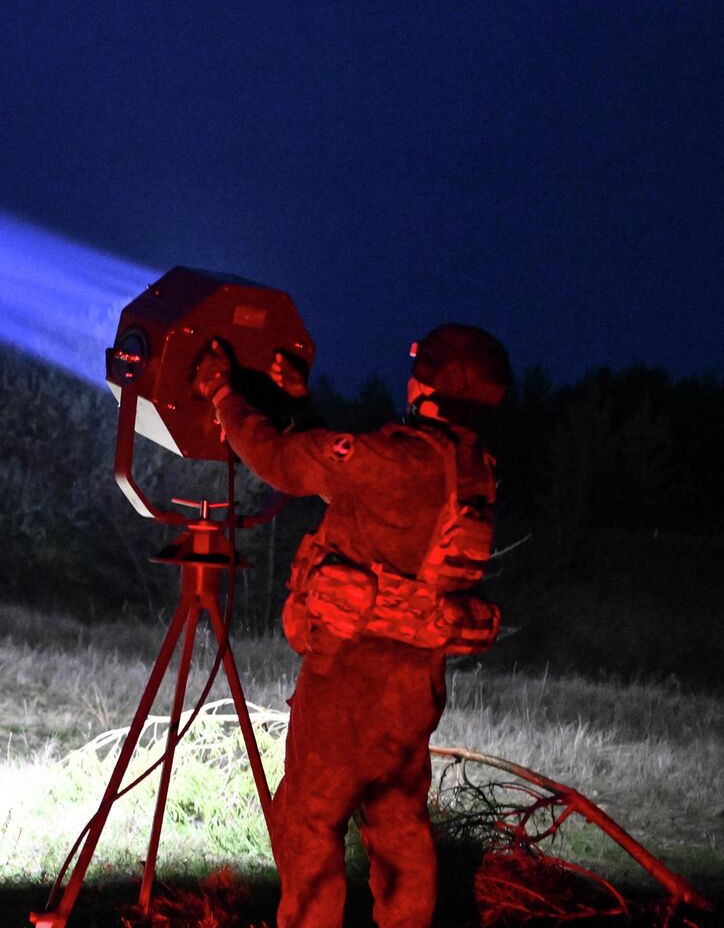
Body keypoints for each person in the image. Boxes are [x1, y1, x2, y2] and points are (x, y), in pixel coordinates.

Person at [191, 324, 512, 928]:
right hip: (414, 685)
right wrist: (299, 404)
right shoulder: (468, 468)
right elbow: (354, 488)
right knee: (398, 826)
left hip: (350, 678)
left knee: (308, 820)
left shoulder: (403, 457)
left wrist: (223, 394)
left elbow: (284, 464)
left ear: (428, 385)